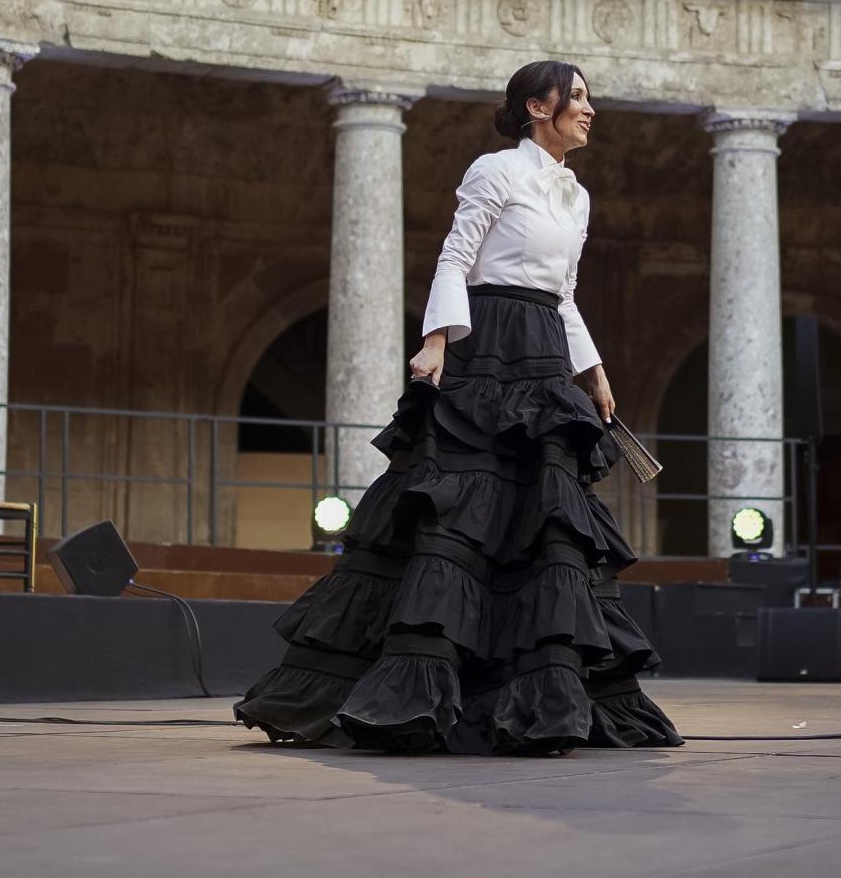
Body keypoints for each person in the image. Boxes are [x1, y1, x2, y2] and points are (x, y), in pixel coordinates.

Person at [236, 61, 682, 755]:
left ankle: (541, 698)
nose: (590, 110)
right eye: (579, 98)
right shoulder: (495, 170)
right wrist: (436, 341)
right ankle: (413, 693)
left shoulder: (576, 196)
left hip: (543, 353)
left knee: (541, 523)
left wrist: (593, 372)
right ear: (540, 107)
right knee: (461, 515)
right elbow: (455, 258)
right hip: (488, 345)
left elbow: (563, 294)